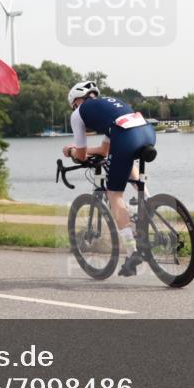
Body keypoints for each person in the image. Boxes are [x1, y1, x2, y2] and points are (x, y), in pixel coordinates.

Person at [62, 81, 156, 276]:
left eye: (73, 105)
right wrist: (84, 151)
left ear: (77, 101)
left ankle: (132, 251)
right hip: (146, 132)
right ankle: (148, 201)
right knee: (126, 159)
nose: (74, 108)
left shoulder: (78, 113)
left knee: (114, 193)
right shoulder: (110, 106)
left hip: (125, 136)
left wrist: (70, 150)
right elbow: (105, 150)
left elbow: (80, 155)